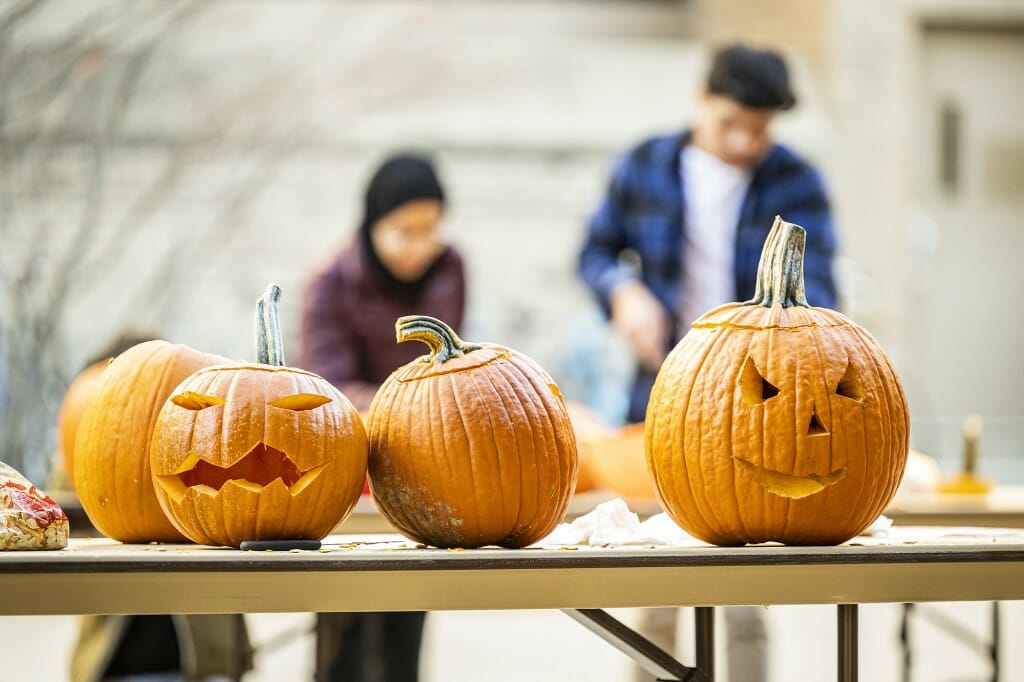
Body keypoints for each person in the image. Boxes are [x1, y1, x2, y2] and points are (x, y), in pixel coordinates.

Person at [578, 44, 838, 682]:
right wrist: (624, 292)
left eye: (760, 129)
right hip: (664, 395)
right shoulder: (644, 165)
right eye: (731, 124)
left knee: (747, 588)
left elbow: (824, 292)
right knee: (661, 573)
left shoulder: (796, 182)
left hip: (762, 405)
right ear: (701, 97)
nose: (745, 141)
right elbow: (594, 251)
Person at [298, 152, 465, 682]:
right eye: (404, 231)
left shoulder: (451, 267)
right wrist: (415, 407)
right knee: (345, 613)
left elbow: (449, 363)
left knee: (407, 602)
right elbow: (326, 389)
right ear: (373, 224)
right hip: (345, 462)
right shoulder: (330, 282)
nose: (420, 245)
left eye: (430, 229)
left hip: (417, 463)